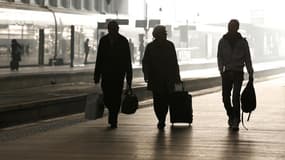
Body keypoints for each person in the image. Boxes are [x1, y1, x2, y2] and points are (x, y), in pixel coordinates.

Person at [94, 21, 133, 129]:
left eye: (114, 29)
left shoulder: (123, 41)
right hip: (106, 74)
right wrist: (97, 75)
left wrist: (129, 78)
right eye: (111, 29)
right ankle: (112, 113)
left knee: (116, 97)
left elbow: (127, 60)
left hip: (118, 74)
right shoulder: (104, 41)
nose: (113, 31)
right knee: (107, 97)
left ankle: (113, 117)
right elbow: (99, 59)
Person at [217, 19, 254, 131]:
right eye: (230, 26)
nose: (231, 28)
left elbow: (247, 58)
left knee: (235, 97)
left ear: (237, 28)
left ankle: (236, 120)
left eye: (233, 26)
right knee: (225, 98)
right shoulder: (222, 41)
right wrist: (221, 70)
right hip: (227, 72)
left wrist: (250, 72)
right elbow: (219, 56)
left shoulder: (243, 42)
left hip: (238, 72)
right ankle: (231, 114)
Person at [142, 25, 181, 129]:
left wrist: (177, 78)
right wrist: (146, 74)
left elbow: (174, 63)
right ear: (157, 35)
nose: (165, 35)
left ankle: (161, 118)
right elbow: (146, 62)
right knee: (160, 100)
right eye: (163, 33)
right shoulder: (163, 46)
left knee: (161, 100)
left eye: (165, 33)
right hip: (158, 78)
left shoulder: (163, 46)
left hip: (165, 78)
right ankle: (161, 118)